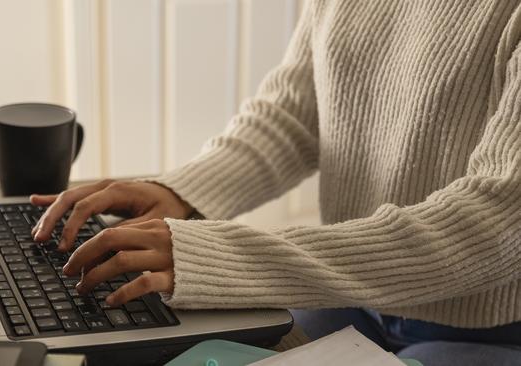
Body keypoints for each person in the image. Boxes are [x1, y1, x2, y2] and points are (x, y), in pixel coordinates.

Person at [31, 1, 521, 364]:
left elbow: (497, 224)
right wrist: (183, 192)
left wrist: (228, 257)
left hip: (489, 329)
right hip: (351, 298)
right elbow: (296, 116)